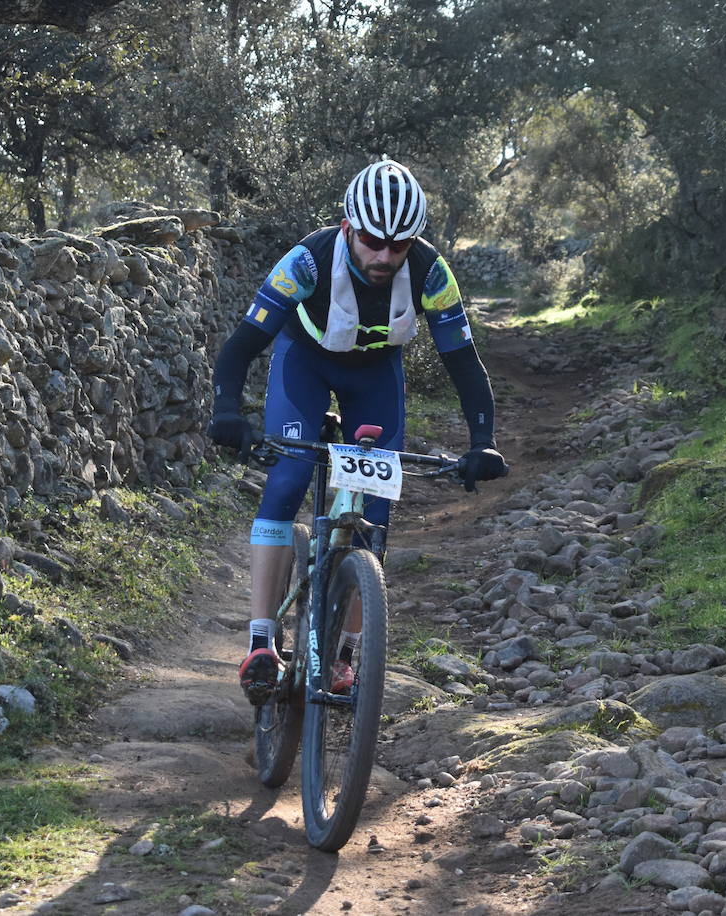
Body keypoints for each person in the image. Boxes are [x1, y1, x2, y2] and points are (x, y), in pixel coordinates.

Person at [207, 159, 508, 704]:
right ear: (349, 227)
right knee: (290, 475)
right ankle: (260, 643)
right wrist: (228, 409)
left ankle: (344, 655)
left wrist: (482, 440)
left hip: (375, 375)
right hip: (305, 363)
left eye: (398, 246)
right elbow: (244, 342)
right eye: (372, 241)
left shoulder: (432, 273)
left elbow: (464, 362)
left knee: (375, 513)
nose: (384, 256)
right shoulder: (306, 261)